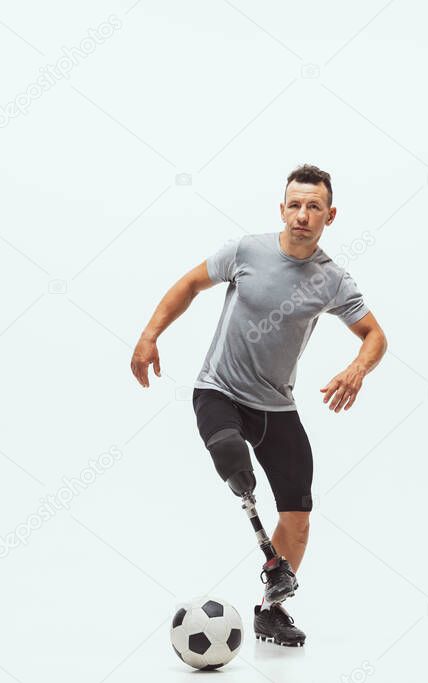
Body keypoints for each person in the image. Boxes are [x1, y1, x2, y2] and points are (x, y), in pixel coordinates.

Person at [130, 164, 387, 646]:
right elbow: (188, 285)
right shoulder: (246, 250)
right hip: (219, 389)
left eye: (314, 207)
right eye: (295, 204)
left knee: (299, 513)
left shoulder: (331, 280)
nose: (302, 215)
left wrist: (358, 369)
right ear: (282, 208)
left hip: (275, 406)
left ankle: (272, 608)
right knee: (231, 457)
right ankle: (265, 549)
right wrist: (150, 335)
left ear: (330, 215)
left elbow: (375, 336)